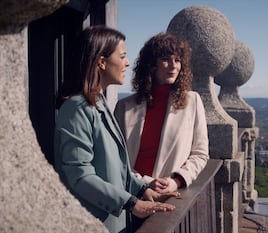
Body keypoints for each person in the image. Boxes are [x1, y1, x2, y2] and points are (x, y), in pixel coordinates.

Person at [54, 26, 177, 233]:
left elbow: (116, 166)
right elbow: (79, 175)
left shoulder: (98, 102)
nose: (127, 63)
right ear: (101, 62)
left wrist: (143, 188)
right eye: (122, 56)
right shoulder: (77, 108)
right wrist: (131, 202)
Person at [114, 32, 209, 194]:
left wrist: (177, 181)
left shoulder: (192, 102)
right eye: (166, 59)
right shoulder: (124, 107)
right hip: (131, 193)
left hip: (168, 196)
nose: (173, 65)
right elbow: (115, 158)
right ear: (151, 65)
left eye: (177, 60)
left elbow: (200, 154)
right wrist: (143, 184)